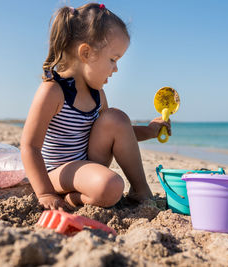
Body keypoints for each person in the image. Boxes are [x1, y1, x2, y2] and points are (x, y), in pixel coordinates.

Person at [21, 3, 171, 210]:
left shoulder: (98, 95)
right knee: (111, 187)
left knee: (116, 118)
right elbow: (30, 147)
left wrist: (150, 131)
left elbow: (121, 135)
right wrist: (45, 192)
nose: (116, 68)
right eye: (113, 59)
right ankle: (72, 198)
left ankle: (140, 191)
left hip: (88, 167)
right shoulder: (53, 92)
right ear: (86, 53)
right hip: (56, 173)